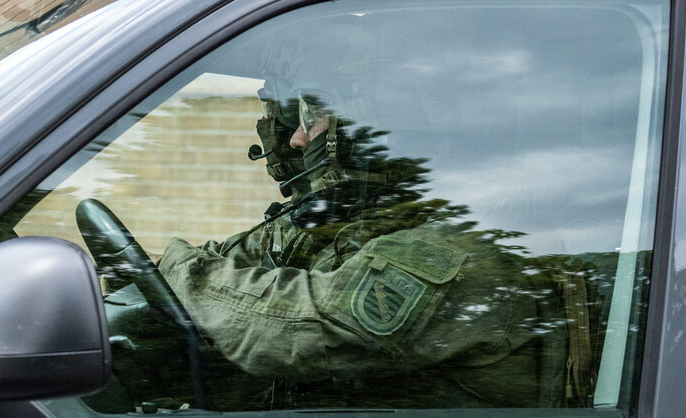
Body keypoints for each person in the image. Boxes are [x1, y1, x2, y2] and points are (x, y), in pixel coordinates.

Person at [157, 88, 569, 409]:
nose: (298, 141)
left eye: (314, 120)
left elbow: (288, 331)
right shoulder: (352, 227)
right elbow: (224, 259)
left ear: (375, 130)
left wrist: (180, 266)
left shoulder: (451, 252)